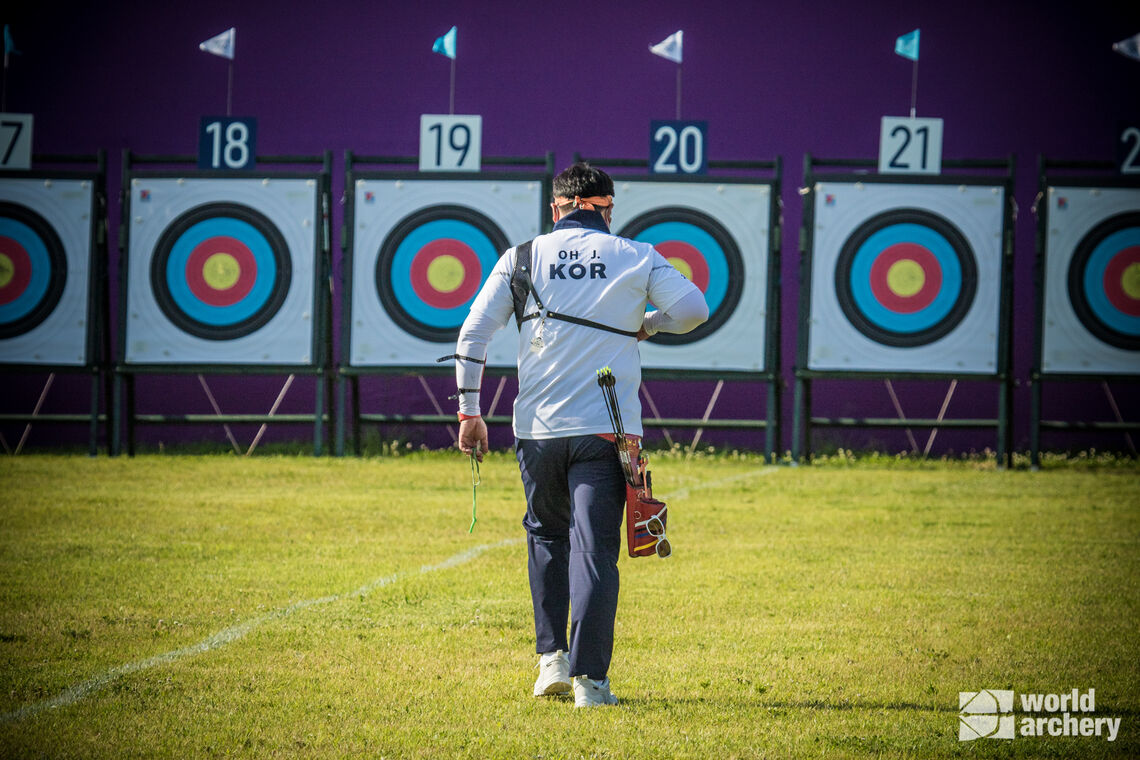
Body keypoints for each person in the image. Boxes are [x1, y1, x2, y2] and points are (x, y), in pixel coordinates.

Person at [451, 162, 708, 707]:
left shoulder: (521, 256)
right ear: (607, 209)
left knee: (546, 535)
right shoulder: (636, 254)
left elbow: (473, 332)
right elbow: (692, 309)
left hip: (538, 431)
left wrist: (469, 411)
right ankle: (591, 683)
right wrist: (650, 325)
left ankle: (551, 663)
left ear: (556, 209)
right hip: (608, 432)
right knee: (595, 552)